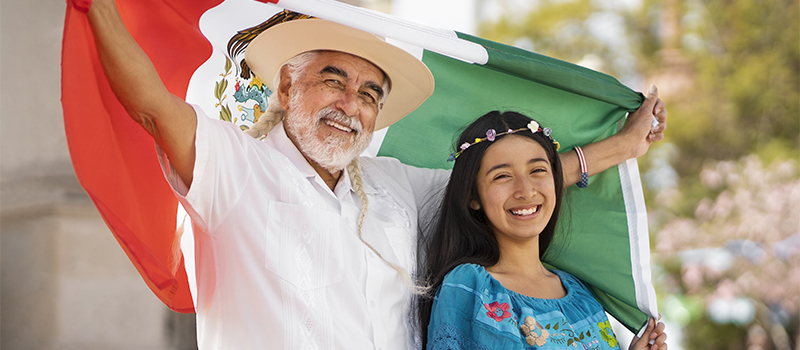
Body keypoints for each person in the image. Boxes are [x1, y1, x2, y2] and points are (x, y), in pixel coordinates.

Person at [79, 0, 668, 348]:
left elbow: (510, 183)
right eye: (332, 79)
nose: (350, 104)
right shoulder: (234, 166)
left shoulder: (396, 185)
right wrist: (100, 8)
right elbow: (152, 107)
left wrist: (620, 146)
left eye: (369, 94)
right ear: (286, 85)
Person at [419, 111, 668, 350]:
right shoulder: (471, 287)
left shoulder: (580, 293)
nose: (526, 191)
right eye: (502, 176)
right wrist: (625, 143)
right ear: (473, 197)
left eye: (538, 170)